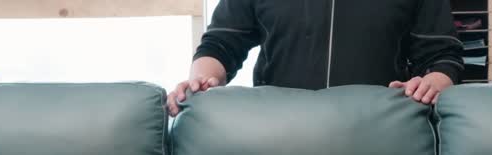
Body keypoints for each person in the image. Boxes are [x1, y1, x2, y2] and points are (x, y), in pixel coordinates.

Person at [167, 1, 463, 116]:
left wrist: (432, 82)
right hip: (278, 134)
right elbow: (220, 44)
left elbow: (443, 57)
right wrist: (203, 78)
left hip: (377, 136)